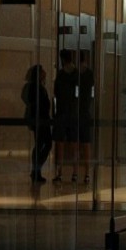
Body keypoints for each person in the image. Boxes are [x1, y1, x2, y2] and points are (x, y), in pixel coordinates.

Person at [22, 64, 52, 184]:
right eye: (43, 71)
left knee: (39, 145)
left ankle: (36, 171)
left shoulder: (34, 87)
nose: (45, 72)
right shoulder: (37, 88)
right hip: (41, 120)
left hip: (39, 120)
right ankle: (36, 170)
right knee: (45, 144)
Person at [52, 49, 79, 183]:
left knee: (60, 144)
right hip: (73, 113)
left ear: (62, 59)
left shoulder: (61, 75)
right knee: (73, 144)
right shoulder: (77, 75)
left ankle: (60, 172)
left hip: (62, 113)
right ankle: (75, 172)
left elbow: (56, 93)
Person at [77, 50, 94, 184]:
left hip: (76, 113)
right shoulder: (89, 75)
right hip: (85, 113)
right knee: (86, 144)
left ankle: (75, 172)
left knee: (76, 144)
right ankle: (86, 173)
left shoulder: (75, 75)